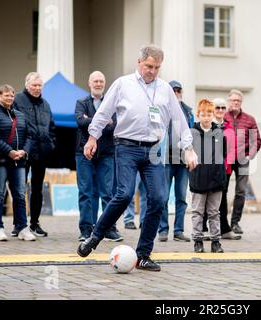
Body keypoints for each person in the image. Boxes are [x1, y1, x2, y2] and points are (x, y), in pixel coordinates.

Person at [77, 45, 198, 272]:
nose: (152, 71)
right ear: (139, 62)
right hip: (126, 147)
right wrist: (92, 138)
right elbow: (103, 112)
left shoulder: (164, 89)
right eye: (149, 66)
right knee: (124, 194)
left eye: (157, 67)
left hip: (153, 150)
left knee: (159, 199)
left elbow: (179, 120)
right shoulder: (123, 84)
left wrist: (188, 148)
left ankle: (143, 255)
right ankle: (95, 236)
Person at [0, 85, 36, 241]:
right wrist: (9, 151)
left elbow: (29, 136)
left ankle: (22, 228)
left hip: (18, 160)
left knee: (20, 194)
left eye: (12, 96)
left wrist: (23, 151)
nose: (10, 98)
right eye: (6, 95)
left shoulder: (20, 115)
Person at [74, 71, 123, 242]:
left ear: (104, 83)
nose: (98, 83)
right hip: (84, 153)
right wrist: (103, 121)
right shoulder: (81, 102)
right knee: (86, 192)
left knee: (108, 193)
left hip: (107, 154)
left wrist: (92, 120)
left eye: (101, 81)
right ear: (89, 83)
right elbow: (80, 122)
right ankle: (86, 229)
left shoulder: (112, 103)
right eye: (95, 80)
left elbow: (114, 126)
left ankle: (109, 229)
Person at [14, 72, 55, 237]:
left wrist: (51, 143)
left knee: (37, 189)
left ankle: (34, 223)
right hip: (23, 151)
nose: (37, 88)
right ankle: (19, 224)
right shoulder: (17, 100)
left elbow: (51, 126)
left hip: (41, 151)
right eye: (34, 85)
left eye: (40, 85)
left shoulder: (45, 104)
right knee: (19, 188)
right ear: (27, 85)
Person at [158, 80, 194, 242]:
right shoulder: (161, 109)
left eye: (179, 90)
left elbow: (192, 135)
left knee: (181, 198)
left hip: (182, 161)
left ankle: (178, 231)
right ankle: (163, 230)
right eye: (173, 90)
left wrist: (191, 155)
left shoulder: (188, 111)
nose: (176, 93)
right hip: (165, 160)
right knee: (163, 197)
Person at [190, 99, 227, 253]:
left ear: (213, 115)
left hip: (216, 178)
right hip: (198, 178)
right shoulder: (192, 133)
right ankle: (198, 240)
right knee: (197, 212)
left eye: (209, 114)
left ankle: (215, 241)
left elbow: (222, 153)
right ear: (198, 115)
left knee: (214, 212)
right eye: (203, 114)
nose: (206, 117)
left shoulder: (219, 132)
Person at [223, 89, 261, 234]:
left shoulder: (249, 119)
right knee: (222, 190)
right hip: (226, 160)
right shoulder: (222, 116)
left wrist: (249, 156)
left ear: (241, 103)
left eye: (238, 101)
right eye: (233, 100)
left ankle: (235, 223)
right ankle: (223, 223)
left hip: (242, 159)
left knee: (240, 191)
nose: (235, 103)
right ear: (229, 101)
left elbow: (256, 140)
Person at [202, 97, 240, 240]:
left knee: (222, 199)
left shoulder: (229, 128)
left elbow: (232, 150)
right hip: (207, 168)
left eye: (223, 108)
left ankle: (224, 229)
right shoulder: (206, 126)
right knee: (206, 197)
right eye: (217, 108)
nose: (220, 110)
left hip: (224, 170)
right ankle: (204, 229)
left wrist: (225, 167)